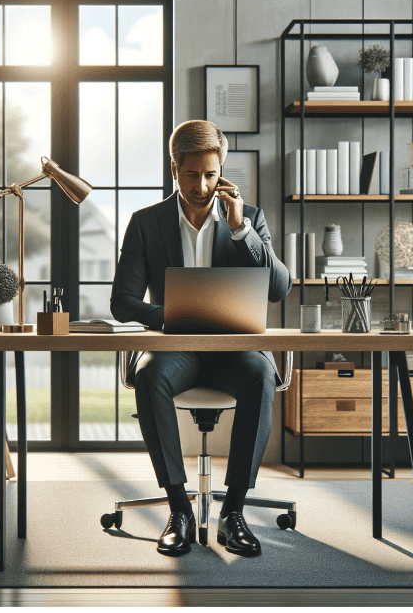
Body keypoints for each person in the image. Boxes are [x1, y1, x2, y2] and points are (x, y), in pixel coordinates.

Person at [110, 120, 292, 557]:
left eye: (211, 174)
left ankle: (233, 511)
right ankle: (179, 509)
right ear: (175, 170)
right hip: (177, 349)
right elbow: (123, 302)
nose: (202, 185)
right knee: (151, 377)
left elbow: (279, 288)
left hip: (232, 351)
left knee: (261, 375)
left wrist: (241, 232)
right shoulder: (146, 223)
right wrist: (176, 318)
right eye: (192, 175)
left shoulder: (247, 220)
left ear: (221, 171)